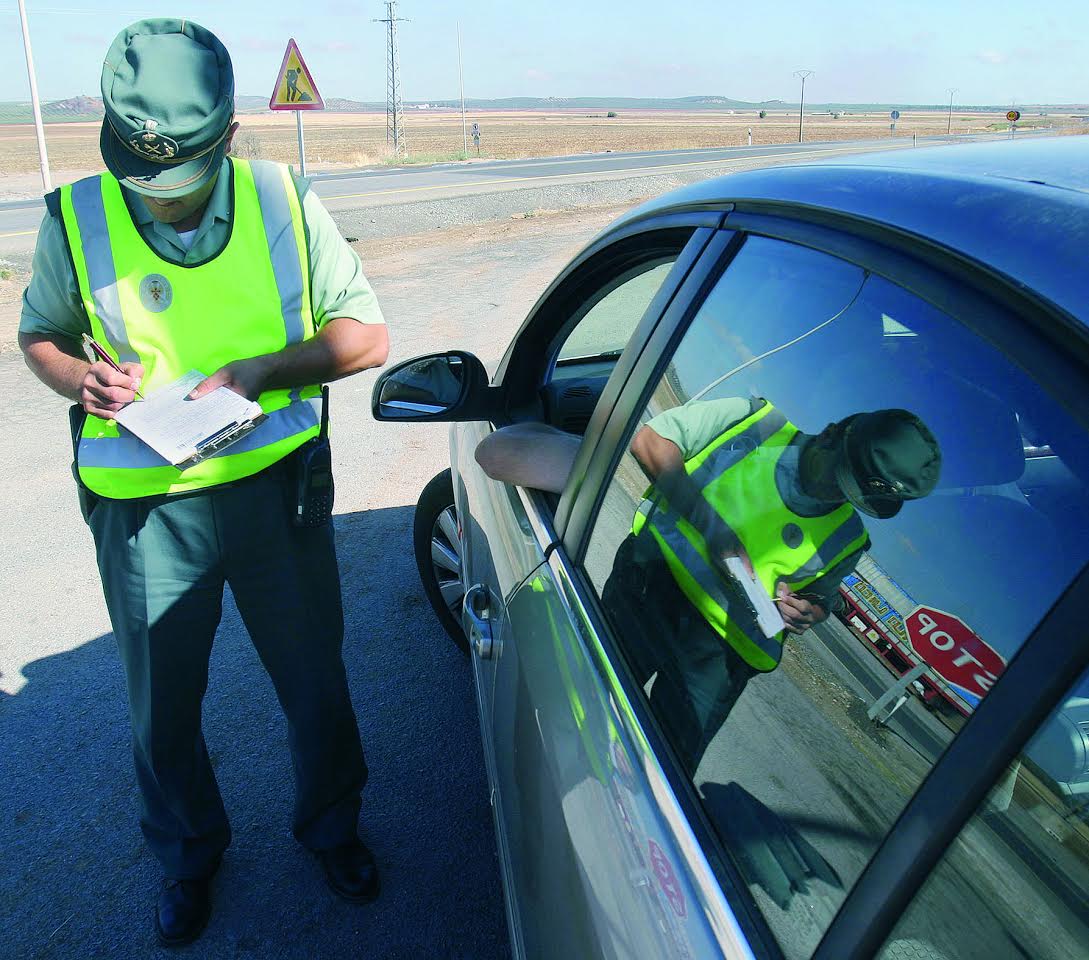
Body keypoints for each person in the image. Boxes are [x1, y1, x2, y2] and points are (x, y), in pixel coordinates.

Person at [17, 19, 389, 947]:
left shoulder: (282, 199)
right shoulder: (76, 217)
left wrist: (265, 370)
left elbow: (366, 336)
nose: (160, 198)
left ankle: (332, 828)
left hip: (274, 492)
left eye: (178, 178)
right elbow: (40, 335)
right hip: (145, 512)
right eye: (142, 178)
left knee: (313, 681)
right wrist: (80, 377)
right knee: (163, 706)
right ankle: (187, 859)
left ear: (228, 135)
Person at [476, 397, 941, 775]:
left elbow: (822, 596)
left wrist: (809, 611)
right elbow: (650, 443)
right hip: (648, 592)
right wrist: (711, 526)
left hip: (722, 659)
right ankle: (541, 783)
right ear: (833, 432)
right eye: (839, 478)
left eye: (856, 495)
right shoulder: (755, 422)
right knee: (579, 712)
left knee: (657, 772)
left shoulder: (850, 537)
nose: (837, 495)